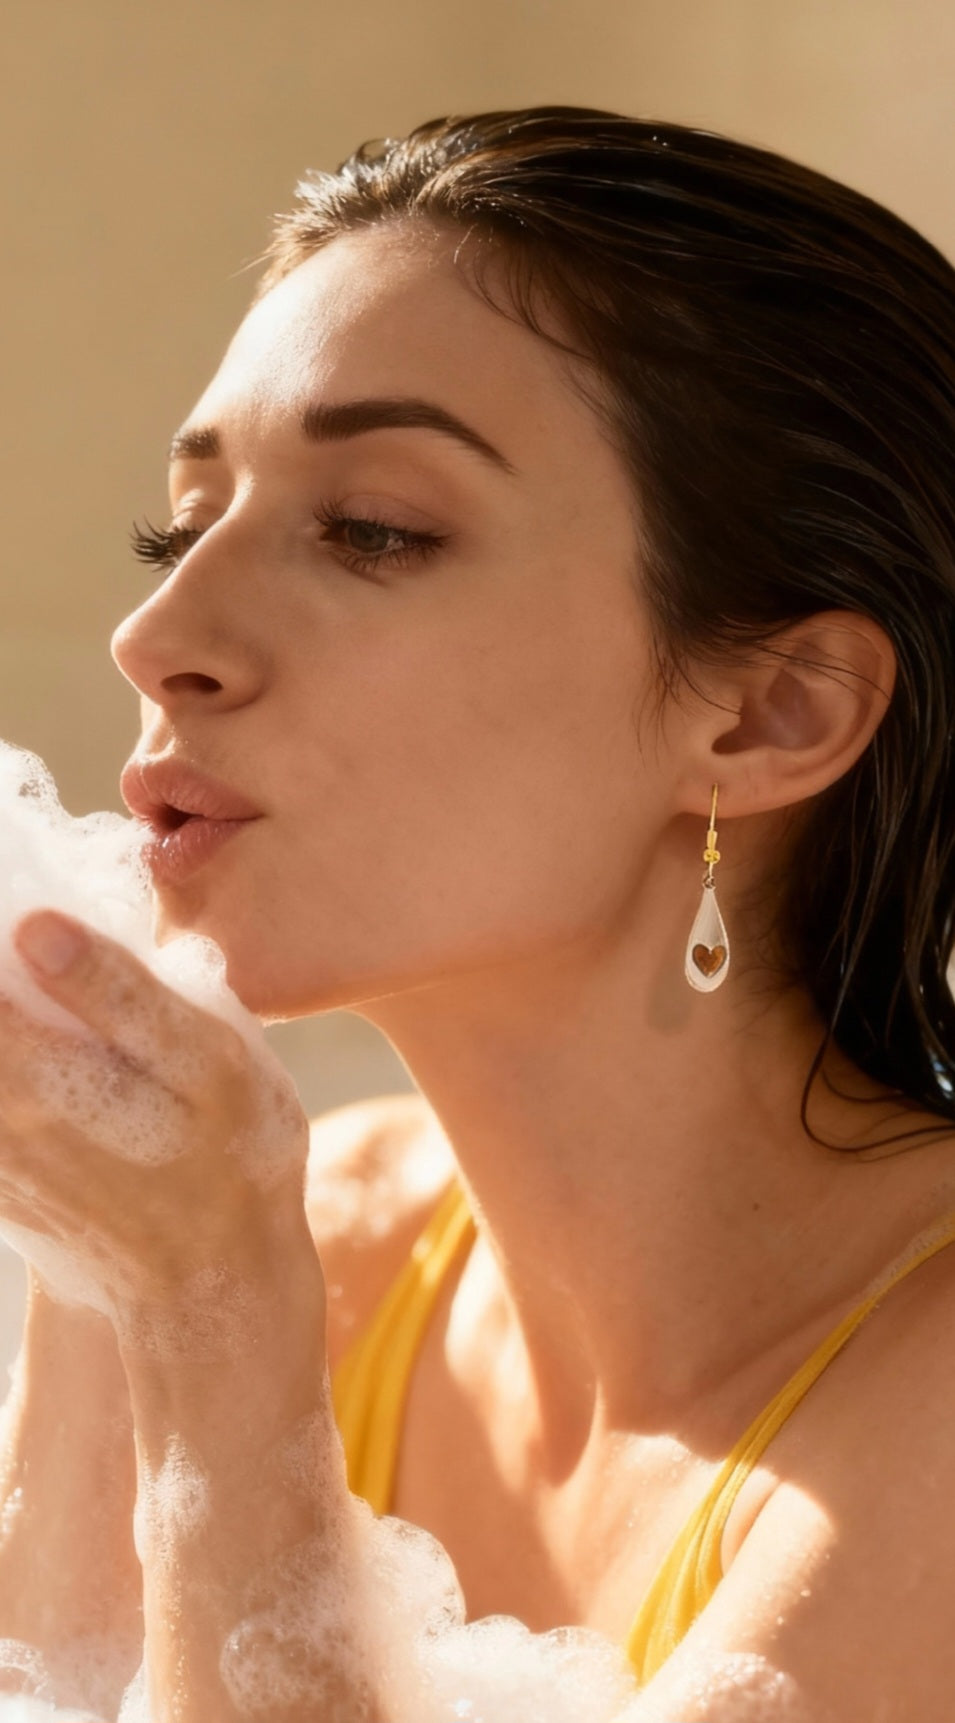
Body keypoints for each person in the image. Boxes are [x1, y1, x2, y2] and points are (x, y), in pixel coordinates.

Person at [0, 103, 954, 1722]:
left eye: (376, 530)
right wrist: (98, 1238)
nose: (160, 635)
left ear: (771, 714)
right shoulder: (336, 1243)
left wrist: (207, 1321)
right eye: (184, 522)